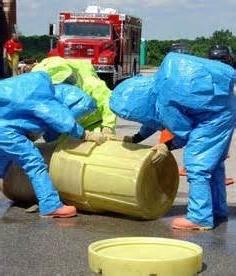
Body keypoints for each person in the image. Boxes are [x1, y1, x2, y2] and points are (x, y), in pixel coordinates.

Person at [110, 53, 235, 230]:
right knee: (214, 165)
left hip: (212, 119)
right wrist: (136, 138)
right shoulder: (157, 86)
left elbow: (183, 133)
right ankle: (217, 209)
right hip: (223, 108)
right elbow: (154, 118)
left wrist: (166, 146)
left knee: (197, 166)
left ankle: (200, 217)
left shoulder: (165, 102)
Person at [0, 71, 105, 218]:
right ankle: (51, 205)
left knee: (3, 160)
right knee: (33, 161)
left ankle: (7, 180)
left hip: (4, 127)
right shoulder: (42, 96)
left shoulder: (21, 87)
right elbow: (60, 120)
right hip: (4, 131)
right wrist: (85, 134)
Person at [32, 57, 116, 136]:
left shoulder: (92, 85)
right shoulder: (45, 94)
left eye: (68, 80)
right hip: (69, 130)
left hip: (96, 126)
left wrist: (108, 127)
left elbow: (108, 103)